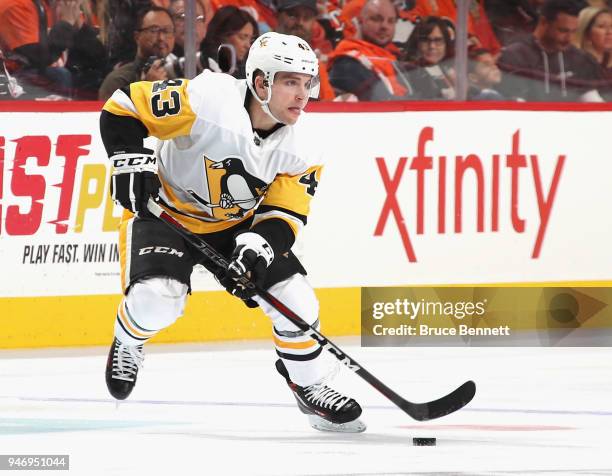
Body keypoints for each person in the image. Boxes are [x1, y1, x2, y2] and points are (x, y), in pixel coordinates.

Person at [99, 31, 365, 433]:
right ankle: (129, 340)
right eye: (290, 81)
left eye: (307, 83)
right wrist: (129, 160)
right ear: (261, 82)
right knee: (157, 300)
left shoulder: (306, 143)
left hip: (233, 226)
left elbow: (286, 212)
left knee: (297, 300)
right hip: (165, 211)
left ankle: (308, 386)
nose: (302, 94)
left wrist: (257, 248)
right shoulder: (207, 99)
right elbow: (122, 108)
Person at [497, 0, 604, 101]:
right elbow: (514, 105)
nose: (569, 38)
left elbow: (592, 101)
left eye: (573, 31)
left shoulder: (581, 59)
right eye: (563, 30)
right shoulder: (514, 56)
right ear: (543, 22)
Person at [328, 0, 414, 100]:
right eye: (376, 19)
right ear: (359, 20)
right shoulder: (346, 63)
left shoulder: (393, 59)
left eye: (391, 21)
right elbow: (382, 104)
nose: (384, 26)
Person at [98, 6, 175, 101]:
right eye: (154, 30)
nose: (161, 38)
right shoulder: (118, 80)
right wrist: (146, 89)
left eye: (167, 30)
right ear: (137, 37)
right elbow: (111, 115)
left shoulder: (180, 75)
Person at [275, 0, 336, 100]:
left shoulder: (315, 63)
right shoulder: (261, 52)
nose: (300, 22)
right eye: (293, 15)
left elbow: (328, 105)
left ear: (313, 22)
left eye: (306, 17)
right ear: (278, 16)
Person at [403, 15, 456, 99]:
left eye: (438, 40)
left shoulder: (452, 70)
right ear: (417, 43)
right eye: (425, 40)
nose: (432, 46)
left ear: (446, 44)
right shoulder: (407, 73)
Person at [199, 6, 258, 78]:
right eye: (242, 37)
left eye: (251, 40)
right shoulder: (204, 64)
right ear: (222, 35)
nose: (248, 45)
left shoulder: (245, 68)